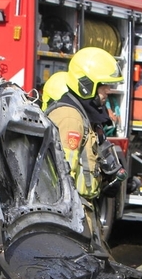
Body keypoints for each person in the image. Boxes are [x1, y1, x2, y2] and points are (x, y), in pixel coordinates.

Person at [45, 46, 124, 203]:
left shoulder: (84, 116)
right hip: (72, 212)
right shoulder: (70, 118)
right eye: (104, 85)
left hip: (82, 207)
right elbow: (62, 176)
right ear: (86, 84)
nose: (108, 91)